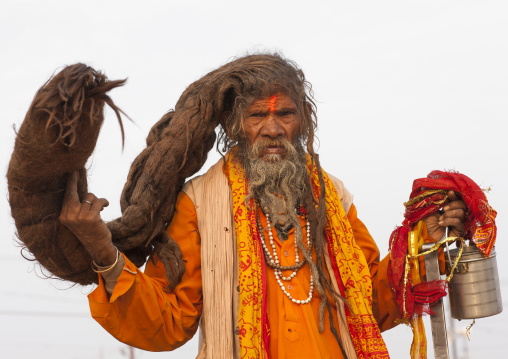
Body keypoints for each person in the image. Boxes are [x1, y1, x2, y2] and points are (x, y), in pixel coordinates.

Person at [59, 54, 466, 359]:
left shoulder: (335, 198)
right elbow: (169, 322)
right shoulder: (197, 203)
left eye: (285, 114)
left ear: (302, 120)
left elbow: (368, 305)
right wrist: (105, 255)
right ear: (235, 125)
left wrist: (421, 243)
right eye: (257, 116)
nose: (272, 128)